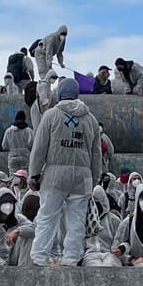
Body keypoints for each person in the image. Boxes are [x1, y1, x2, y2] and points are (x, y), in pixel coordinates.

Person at [29, 77, 104, 267]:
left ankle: (39, 257)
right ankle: (71, 258)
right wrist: (94, 179)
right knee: (77, 219)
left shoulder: (51, 115)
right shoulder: (91, 120)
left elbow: (39, 148)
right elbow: (97, 154)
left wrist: (34, 174)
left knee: (47, 216)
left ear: (59, 93)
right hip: (83, 175)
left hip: (55, 174)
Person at [2, 108, 33, 172]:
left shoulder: (8, 131)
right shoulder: (28, 131)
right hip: (25, 157)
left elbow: (4, 146)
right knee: (24, 176)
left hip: (12, 157)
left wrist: (12, 148)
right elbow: (31, 144)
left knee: (13, 177)